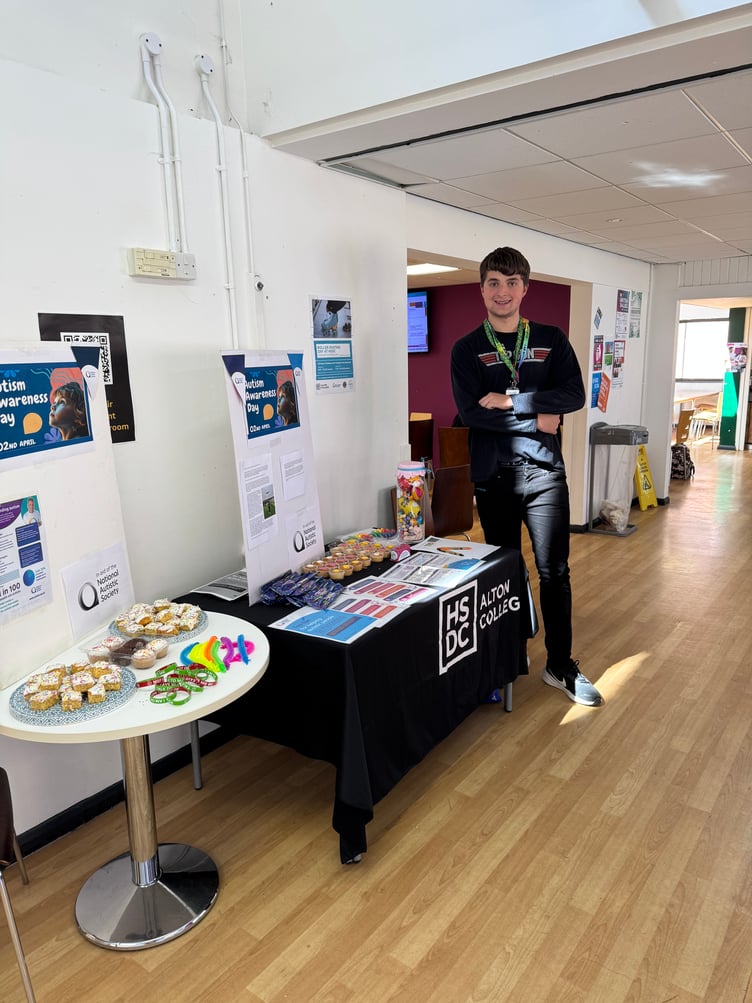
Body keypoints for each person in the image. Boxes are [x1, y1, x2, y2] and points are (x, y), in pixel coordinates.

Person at [450, 246, 602, 707]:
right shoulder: (466, 349)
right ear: (481, 290)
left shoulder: (552, 339)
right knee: (505, 571)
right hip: (493, 476)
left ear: (525, 289)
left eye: (512, 282)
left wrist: (514, 401)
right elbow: (471, 415)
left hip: (544, 475)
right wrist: (538, 418)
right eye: (494, 282)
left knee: (555, 571)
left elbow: (573, 394)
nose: (503, 292)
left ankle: (560, 665)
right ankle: (507, 661)